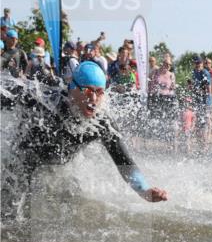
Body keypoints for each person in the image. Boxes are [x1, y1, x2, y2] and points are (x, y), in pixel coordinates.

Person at [1, 61, 168, 214]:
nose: (93, 99)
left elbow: (124, 161)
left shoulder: (102, 123)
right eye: (87, 90)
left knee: (71, 200)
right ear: (71, 88)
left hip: (54, 168)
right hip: (21, 164)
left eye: (99, 92)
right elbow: (10, 94)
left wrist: (144, 190)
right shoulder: (47, 101)